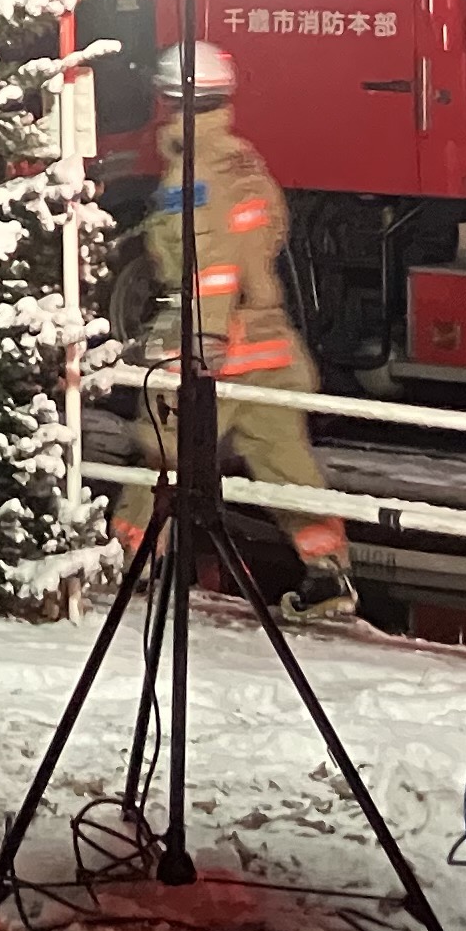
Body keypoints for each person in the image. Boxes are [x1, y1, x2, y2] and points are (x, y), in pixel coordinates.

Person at [106, 40, 356, 625]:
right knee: (286, 465)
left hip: (213, 346)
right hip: (267, 344)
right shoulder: (244, 160)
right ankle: (329, 574)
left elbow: (211, 263)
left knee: (161, 456)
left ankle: (124, 566)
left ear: (168, 99)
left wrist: (203, 341)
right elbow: (266, 236)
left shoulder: (192, 172)